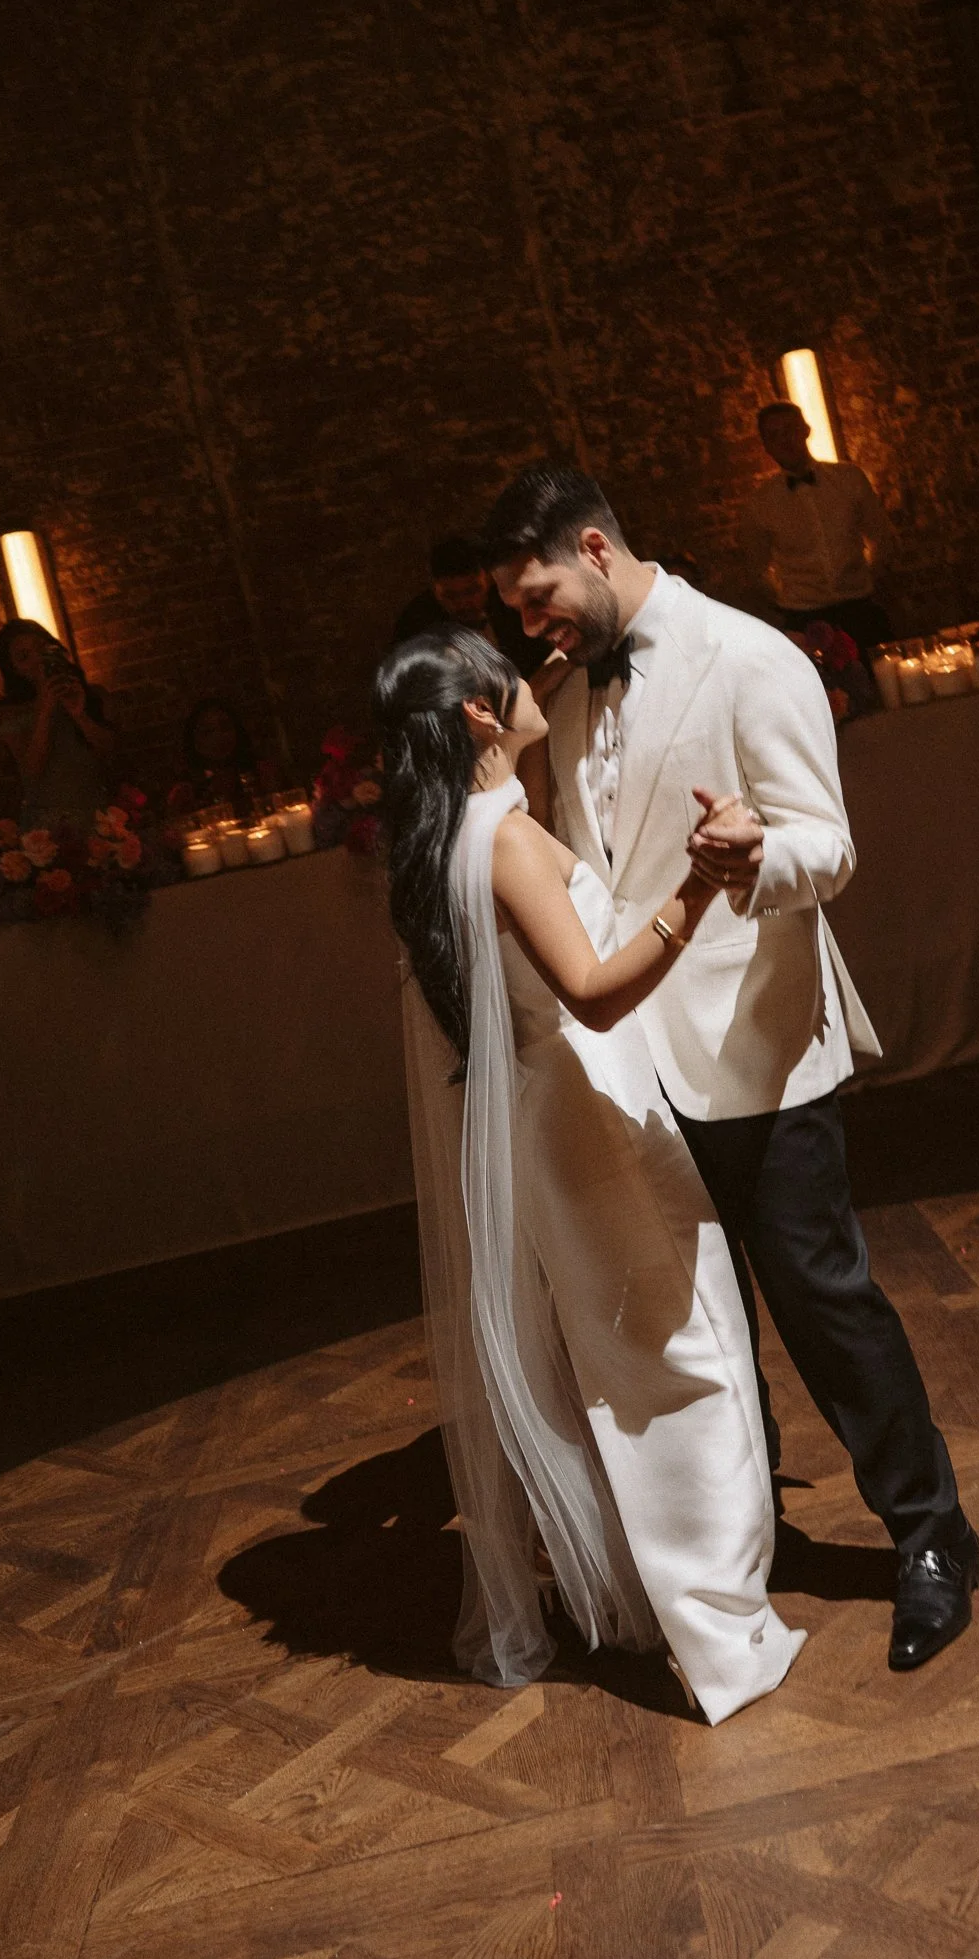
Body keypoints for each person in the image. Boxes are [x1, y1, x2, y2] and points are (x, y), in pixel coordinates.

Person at [483, 463, 979, 1675]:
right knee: (695, 1323)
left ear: (595, 550)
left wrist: (757, 853)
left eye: (538, 594)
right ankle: (740, 1551)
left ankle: (929, 1538)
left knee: (820, 1301)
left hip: (755, 1048)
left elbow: (833, 845)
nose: (526, 625)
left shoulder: (753, 659)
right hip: (631, 1059)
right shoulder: (567, 693)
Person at [378, 627, 805, 1722]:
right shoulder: (506, 842)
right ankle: (717, 1631)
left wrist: (548, 672)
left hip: (545, 1116)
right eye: (511, 678)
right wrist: (699, 890)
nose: (535, 680)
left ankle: (656, 1600)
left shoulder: (447, 837)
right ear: (478, 716)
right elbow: (594, 990)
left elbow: (518, 713)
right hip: (592, 1110)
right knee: (684, 1364)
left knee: (624, 1367)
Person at [740, 402, 896, 648]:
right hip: (804, 618)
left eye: (790, 430)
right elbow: (757, 568)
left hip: (859, 607)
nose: (784, 440)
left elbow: (881, 534)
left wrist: (868, 577)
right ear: (766, 446)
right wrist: (786, 598)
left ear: (806, 430)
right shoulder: (761, 503)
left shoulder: (849, 478)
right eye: (774, 436)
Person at [0, 622, 117, 829]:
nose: (38, 660)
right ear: (12, 669)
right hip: (50, 826)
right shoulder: (10, 714)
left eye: (42, 649)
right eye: (24, 657)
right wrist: (45, 709)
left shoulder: (93, 695)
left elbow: (111, 752)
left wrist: (80, 715)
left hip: (101, 815)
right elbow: (31, 771)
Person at [392, 532, 544, 674]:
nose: (464, 604)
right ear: (434, 589)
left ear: (489, 579)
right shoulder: (416, 624)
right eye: (450, 595)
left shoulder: (512, 605)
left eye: (472, 591)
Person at [166, 696, 263, 821]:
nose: (219, 737)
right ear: (194, 741)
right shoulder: (185, 792)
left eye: (225, 727)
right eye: (207, 732)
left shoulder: (261, 773)